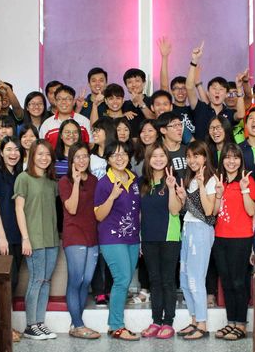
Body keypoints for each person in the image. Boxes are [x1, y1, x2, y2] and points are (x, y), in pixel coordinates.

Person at [94, 140, 142, 341]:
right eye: (114, 155)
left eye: (123, 154)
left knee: (125, 280)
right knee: (122, 279)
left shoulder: (134, 178)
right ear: (108, 159)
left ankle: (114, 324)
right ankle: (116, 326)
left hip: (133, 238)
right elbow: (98, 215)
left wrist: (140, 236)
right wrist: (112, 197)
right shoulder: (104, 183)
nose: (119, 158)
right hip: (112, 238)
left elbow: (137, 210)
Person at [15, 139, 60, 340]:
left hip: (52, 238)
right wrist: (25, 238)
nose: (44, 158)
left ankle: (40, 322)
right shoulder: (23, 178)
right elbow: (19, 209)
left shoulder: (52, 181)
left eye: (48, 154)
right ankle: (30, 325)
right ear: (32, 155)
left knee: (46, 281)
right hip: (34, 237)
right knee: (36, 279)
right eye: (40, 154)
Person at [213, 143, 255, 341]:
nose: (231, 161)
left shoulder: (248, 180)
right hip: (220, 237)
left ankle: (241, 324)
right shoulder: (219, 181)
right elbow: (214, 212)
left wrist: (244, 190)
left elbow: (251, 211)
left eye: (235, 157)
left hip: (241, 238)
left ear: (241, 160)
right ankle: (231, 322)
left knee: (240, 282)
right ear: (222, 160)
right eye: (227, 157)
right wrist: (218, 194)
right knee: (227, 282)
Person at [138, 144, 182, 339]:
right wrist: (139, 237)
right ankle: (156, 321)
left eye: (161, 155)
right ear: (148, 160)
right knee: (154, 281)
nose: (158, 159)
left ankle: (168, 322)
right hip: (148, 238)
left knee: (168, 281)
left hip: (169, 237)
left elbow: (175, 210)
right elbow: (139, 212)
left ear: (167, 158)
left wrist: (171, 188)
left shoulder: (174, 179)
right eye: (154, 156)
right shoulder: (142, 182)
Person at [175, 140, 218, 340]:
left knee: (195, 279)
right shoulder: (190, 178)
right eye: (189, 156)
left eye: (196, 156)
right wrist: (184, 198)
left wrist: (200, 185)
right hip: (188, 228)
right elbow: (192, 209)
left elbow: (208, 211)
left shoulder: (210, 180)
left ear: (205, 157)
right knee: (184, 279)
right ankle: (194, 320)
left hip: (201, 231)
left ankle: (202, 324)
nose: (192, 160)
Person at [58, 142, 101, 339]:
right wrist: (75, 182)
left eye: (85, 156)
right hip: (74, 235)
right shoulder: (64, 181)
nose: (82, 160)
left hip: (92, 235)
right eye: (77, 157)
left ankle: (76, 324)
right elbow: (72, 208)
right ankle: (78, 324)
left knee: (87, 281)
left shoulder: (94, 180)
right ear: (71, 160)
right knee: (76, 280)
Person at [0, 138, 25, 296]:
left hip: (17, 235)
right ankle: (0, 313)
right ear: (1, 153)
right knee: (6, 281)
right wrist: (2, 238)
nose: (13, 153)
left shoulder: (20, 176)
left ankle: (6, 312)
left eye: (16, 150)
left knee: (13, 282)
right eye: (9, 149)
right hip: (1, 237)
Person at [186, 42, 245, 139]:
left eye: (221, 89)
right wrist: (194, 61)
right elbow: (189, 87)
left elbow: (241, 115)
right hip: (202, 149)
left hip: (224, 149)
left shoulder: (229, 113)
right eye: (214, 88)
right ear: (208, 93)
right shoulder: (200, 108)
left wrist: (239, 88)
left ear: (226, 94)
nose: (217, 91)